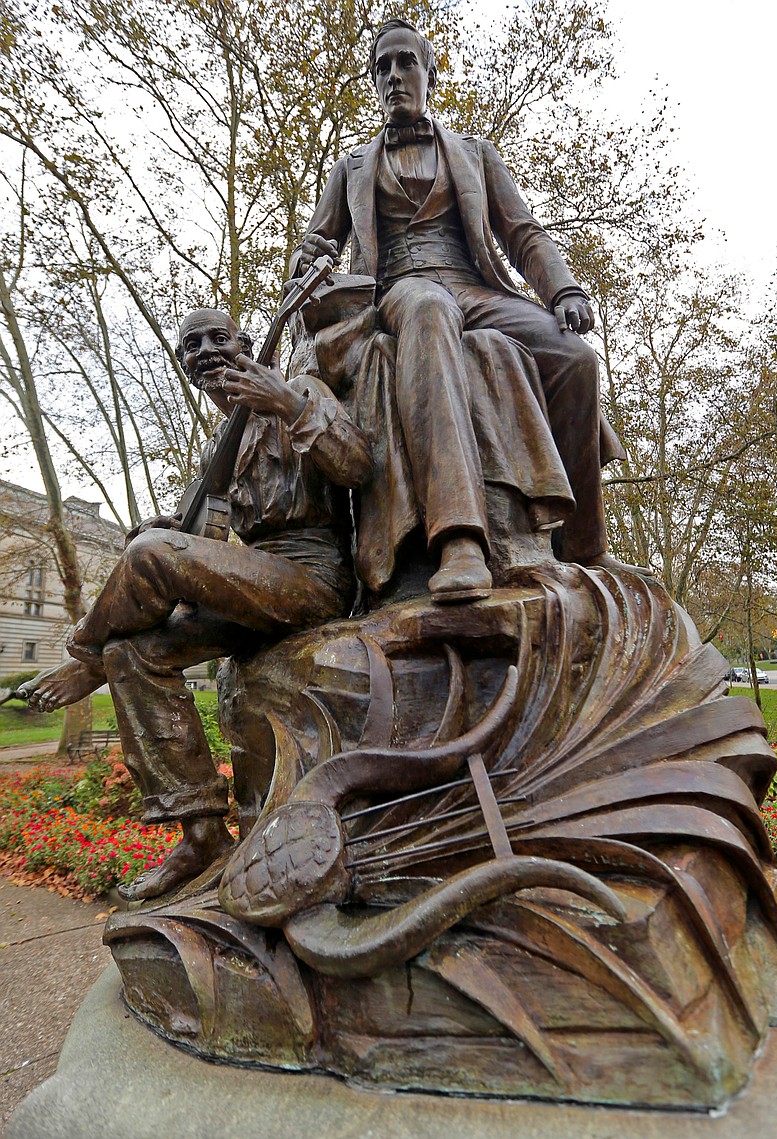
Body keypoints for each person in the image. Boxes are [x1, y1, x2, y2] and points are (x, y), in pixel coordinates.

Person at [19, 308, 371, 900]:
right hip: (252, 588)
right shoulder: (218, 447)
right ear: (184, 365)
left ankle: (84, 655)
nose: (205, 350)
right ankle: (203, 833)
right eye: (191, 344)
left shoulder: (300, 389)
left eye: (218, 338)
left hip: (311, 579)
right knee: (133, 652)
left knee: (151, 557)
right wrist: (174, 533)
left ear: (247, 345)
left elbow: (360, 465)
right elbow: (212, 544)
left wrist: (286, 402)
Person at [291, 18, 632, 603]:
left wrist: (564, 291)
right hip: (399, 291)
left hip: (478, 291)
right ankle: (460, 539)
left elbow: (522, 233)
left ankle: (584, 544)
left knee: (576, 357)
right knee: (426, 309)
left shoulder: (475, 154)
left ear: (428, 72)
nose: (393, 76)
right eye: (382, 67)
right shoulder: (350, 168)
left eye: (405, 63)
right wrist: (308, 257)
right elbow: (313, 252)